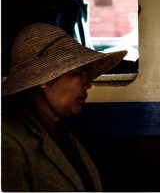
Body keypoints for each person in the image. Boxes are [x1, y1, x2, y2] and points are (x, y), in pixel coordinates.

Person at [1, 23, 127, 191]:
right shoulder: (9, 142)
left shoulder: (62, 132)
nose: (87, 84)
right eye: (76, 73)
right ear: (43, 81)